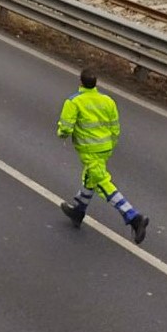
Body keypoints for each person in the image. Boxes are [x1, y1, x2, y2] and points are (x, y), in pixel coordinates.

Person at [57, 67, 149, 244]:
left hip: (89, 150)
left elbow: (65, 128)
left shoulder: (74, 102)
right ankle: (78, 211)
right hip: (105, 148)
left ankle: (133, 217)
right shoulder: (107, 101)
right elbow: (115, 127)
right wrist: (110, 145)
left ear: (81, 82)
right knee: (91, 178)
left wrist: (62, 133)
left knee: (101, 182)